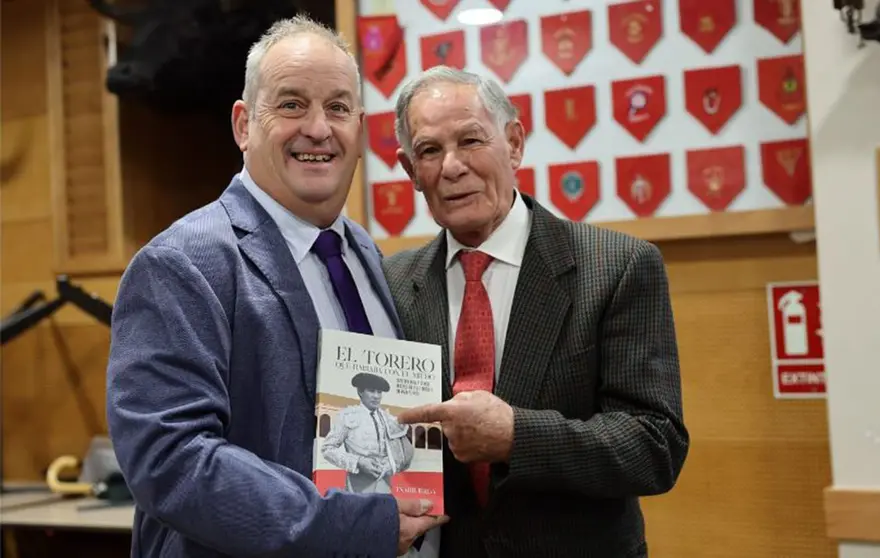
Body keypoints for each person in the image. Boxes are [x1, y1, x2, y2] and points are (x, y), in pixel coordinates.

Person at [105, 15, 445, 558]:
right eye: (291, 105)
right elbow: (171, 461)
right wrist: (357, 526)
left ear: (358, 129)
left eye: (338, 108)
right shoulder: (180, 263)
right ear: (243, 125)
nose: (318, 128)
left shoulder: (364, 253)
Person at [382, 66, 691, 557]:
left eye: (471, 140)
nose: (453, 166)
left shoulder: (617, 267)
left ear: (515, 143)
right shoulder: (392, 283)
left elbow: (655, 446)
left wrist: (515, 436)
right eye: (429, 151)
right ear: (409, 171)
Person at [322, 372, 415, 493]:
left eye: (379, 392)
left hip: (385, 483)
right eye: (371, 391)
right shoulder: (347, 416)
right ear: (360, 392)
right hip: (358, 484)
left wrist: (390, 465)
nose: (376, 396)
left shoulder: (388, 419)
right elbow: (328, 449)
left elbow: (402, 454)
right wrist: (359, 462)